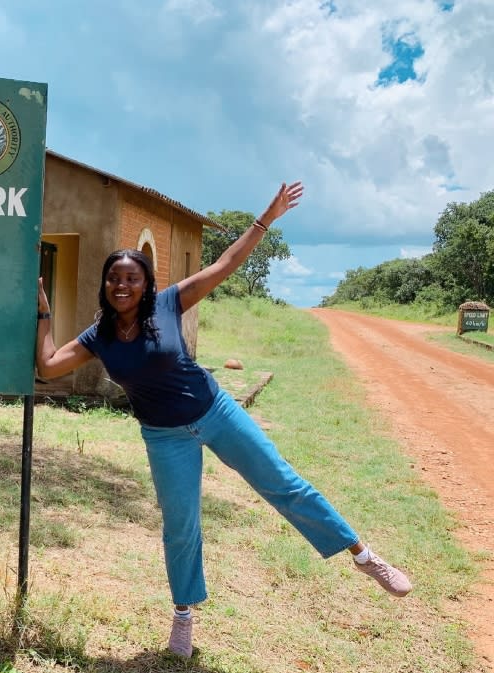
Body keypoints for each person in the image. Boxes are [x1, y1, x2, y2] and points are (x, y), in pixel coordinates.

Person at [34, 182, 411, 659]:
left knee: (284, 484)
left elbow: (224, 265)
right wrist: (42, 312)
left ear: (146, 283)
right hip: (164, 436)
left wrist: (266, 218)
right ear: (105, 286)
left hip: (216, 412)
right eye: (114, 279)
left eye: (131, 278)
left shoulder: (169, 303)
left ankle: (363, 555)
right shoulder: (100, 335)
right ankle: (183, 615)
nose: (122, 286)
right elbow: (48, 366)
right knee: (181, 525)